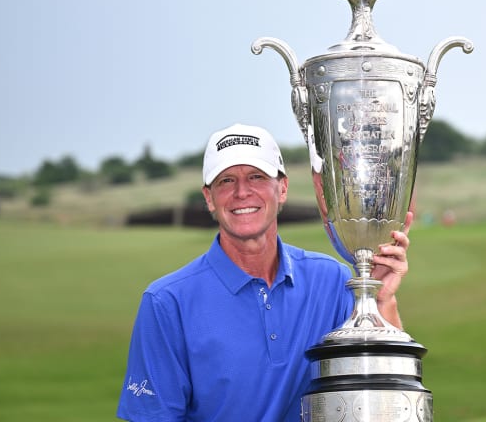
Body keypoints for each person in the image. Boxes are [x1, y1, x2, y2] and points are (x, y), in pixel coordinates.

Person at [117, 123, 413, 421]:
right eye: (226, 181)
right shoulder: (167, 303)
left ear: (282, 188)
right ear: (209, 198)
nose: (242, 192)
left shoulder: (333, 280)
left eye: (256, 177)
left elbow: (383, 389)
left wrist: (382, 300)